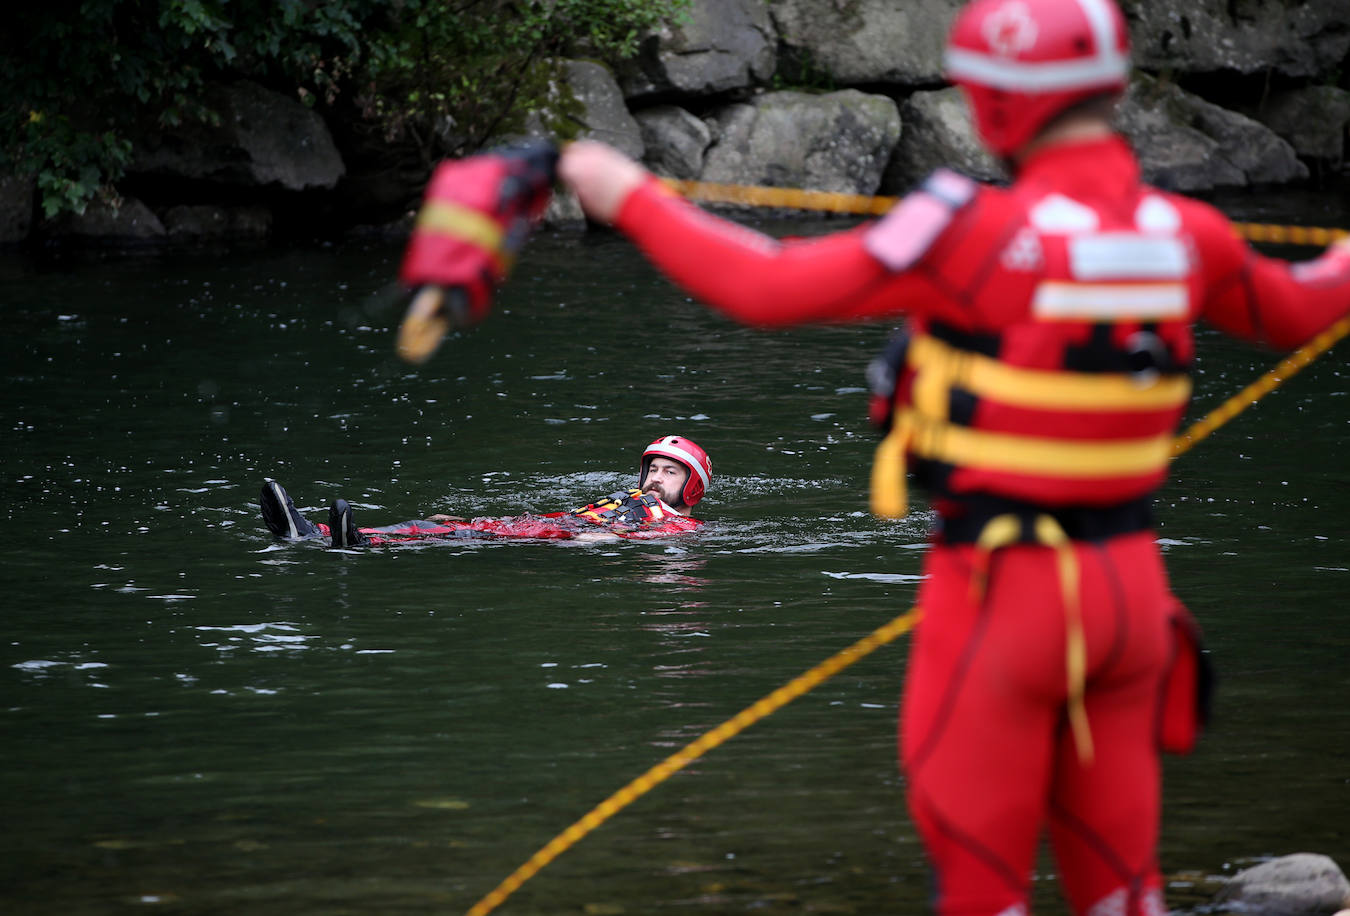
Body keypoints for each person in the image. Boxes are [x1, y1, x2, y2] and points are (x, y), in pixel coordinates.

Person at [554, 0, 1350, 912]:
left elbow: (765, 283)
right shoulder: (1187, 236)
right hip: (1132, 604)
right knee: (1124, 887)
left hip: (999, 606)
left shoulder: (961, 228)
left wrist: (619, 188)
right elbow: (1307, 303)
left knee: (983, 885)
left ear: (997, 104)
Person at [260, 435, 712, 548]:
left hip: (557, 539)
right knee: (438, 523)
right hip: (547, 525)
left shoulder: (683, 526)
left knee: (451, 534)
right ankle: (315, 532)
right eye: (652, 469)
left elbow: (654, 552)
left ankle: (356, 542)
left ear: (690, 486)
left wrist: (598, 540)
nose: (655, 478)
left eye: (670, 473)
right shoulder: (631, 498)